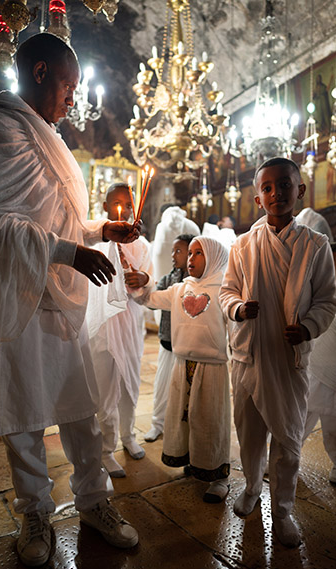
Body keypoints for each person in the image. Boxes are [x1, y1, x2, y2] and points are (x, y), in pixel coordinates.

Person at [0, 33, 141, 567]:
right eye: (68, 84)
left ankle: (96, 501)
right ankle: (34, 513)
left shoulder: (49, 138)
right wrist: (66, 252)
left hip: (60, 295)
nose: (73, 97)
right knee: (24, 415)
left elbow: (66, 222)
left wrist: (103, 231)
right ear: (38, 73)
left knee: (82, 411)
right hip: (16, 294)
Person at [219, 157, 336, 548]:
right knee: (249, 432)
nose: (276, 194)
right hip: (249, 354)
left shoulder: (316, 245)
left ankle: (284, 509)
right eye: (267, 188)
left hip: (288, 359)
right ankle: (252, 487)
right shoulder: (242, 245)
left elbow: (326, 300)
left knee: (287, 439)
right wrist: (238, 308)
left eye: (284, 185)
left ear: (299, 190)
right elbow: (227, 291)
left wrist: (307, 327)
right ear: (257, 199)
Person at [130, 237, 231, 503]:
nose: (190, 258)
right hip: (182, 363)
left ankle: (218, 476)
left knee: (210, 419)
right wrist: (142, 283)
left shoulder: (225, 289)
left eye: (199, 253)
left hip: (211, 367)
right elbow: (151, 299)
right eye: (191, 253)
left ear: (214, 257)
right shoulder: (180, 289)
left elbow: (237, 322)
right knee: (185, 417)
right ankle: (195, 462)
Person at [87, 183, 153, 477]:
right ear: (104, 207)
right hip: (104, 324)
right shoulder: (94, 242)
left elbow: (149, 284)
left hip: (130, 321)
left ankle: (128, 436)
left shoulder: (142, 245)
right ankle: (105, 449)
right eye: (115, 203)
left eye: (127, 204)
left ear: (134, 207)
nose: (123, 209)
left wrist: (144, 278)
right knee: (106, 386)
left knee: (130, 382)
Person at [303, 242, 336, 485]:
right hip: (310, 369)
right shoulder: (319, 296)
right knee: (298, 420)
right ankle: (286, 456)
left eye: (332, 264)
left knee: (335, 427)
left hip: (335, 379)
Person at [144, 234, 195, 442]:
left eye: (179, 251)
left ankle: (180, 429)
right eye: (173, 250)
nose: (173, 255)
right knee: (162, 385)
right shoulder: (169, 278)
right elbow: (152, 301)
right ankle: (157, 423)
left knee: (185, 392)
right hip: (168, 342)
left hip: (188, 345)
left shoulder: (196, 282)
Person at [152, 205, 200, 282]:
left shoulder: (161, 226)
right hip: (188, 271)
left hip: (161, 269)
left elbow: (157, 252)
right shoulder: (192, 225)